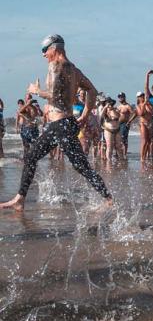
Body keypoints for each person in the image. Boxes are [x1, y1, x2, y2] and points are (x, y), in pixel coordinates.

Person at [1, 35, 112, 212]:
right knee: (73, 164)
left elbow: (53, 94)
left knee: (76, 164)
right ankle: (19, 199)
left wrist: (36, 90)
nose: (43, 54)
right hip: (66, 124)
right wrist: (84, 115)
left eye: (44, 50)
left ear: (54, 48)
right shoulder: (75, 70)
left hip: (60, 125)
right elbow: (92, 91)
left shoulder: (54, 66)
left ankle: (108, 199)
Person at [100, 97, 122, 162]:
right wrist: (105, 107)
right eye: (108, 103)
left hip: (117, 129)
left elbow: (118, 116)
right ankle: (109, 161)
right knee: (109, 146)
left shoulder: (115, 109)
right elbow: (101, 115)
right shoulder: (104, 110)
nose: (110, 104)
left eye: (110, 103)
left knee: (118, 146)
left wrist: (112, 109)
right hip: (108, 130)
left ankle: (121, 159)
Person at [136, 92, 153, 161]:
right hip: (143, 123)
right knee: (144, 141)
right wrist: (144, 105)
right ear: (138, 98)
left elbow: (152, 113)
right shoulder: (138, 106)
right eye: (141, 96)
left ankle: (147, 155)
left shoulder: (149, 104)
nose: (142, 97)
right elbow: (140, 113)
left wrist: (147, 105)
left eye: (143, 96)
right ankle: (142, 157)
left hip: (150, 123)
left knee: (149, 141)